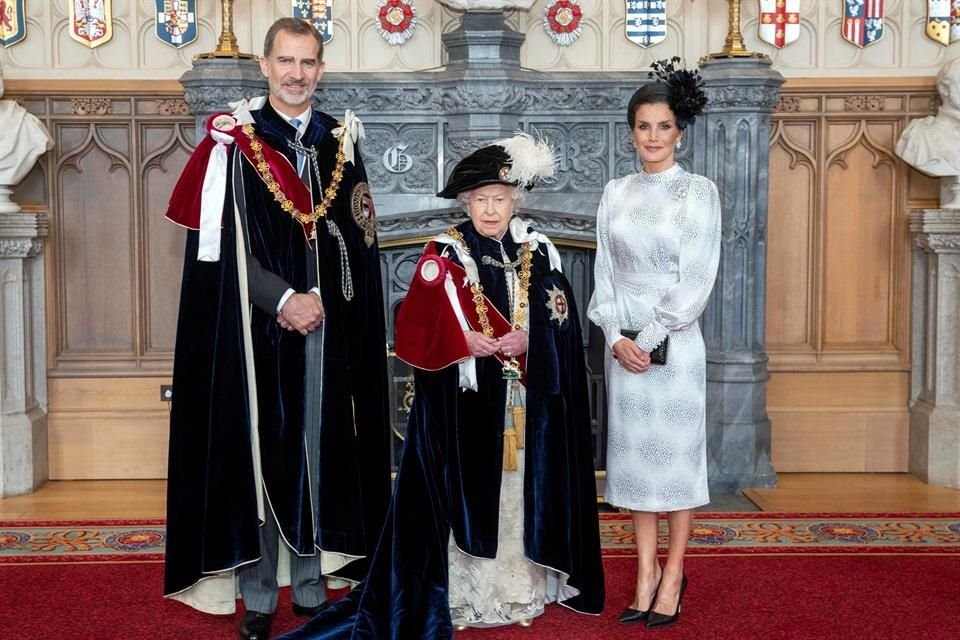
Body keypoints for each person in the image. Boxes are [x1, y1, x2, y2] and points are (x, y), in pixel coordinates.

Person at [278, 133, 605, 639]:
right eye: (480, 201)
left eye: (499, 199)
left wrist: (533, 337)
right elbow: (413, 327)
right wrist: (462, 341)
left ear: (514, 199)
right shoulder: (444, 253)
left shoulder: (539, 251)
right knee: (472, 495)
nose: (490, 210)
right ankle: (473, 592)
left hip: (524, 403)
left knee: (519, 495)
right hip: (466, 405)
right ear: (465, 203)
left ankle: (520, 588)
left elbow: (564, 320)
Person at [162, 18, 391, 640]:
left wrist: (326, 303)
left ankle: (312, 581)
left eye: (308, 62)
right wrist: (285, 297)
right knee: (262, 453)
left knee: (321, 449)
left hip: (328, 329)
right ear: (264, 65)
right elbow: (221, 249)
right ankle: (260, 592)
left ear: (321, 68)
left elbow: (358, 242)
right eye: (286, 61)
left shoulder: (337, 142)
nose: (297, 74)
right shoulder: (234, 143)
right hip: (253, 330)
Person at [587, 57, 719, 630]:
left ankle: (674, 573)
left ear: (679, 133)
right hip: (625, 353)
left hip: (676, 346)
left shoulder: (698, 192)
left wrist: (652, 335)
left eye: (664, 126)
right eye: (644, 126)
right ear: (632, 131)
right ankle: (643, 574)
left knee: (677, 468)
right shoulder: (615, 192)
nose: (653, 137)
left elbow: (698, 276)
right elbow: (604, 274)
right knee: (636, 470)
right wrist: (616, 336)